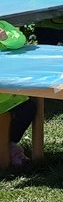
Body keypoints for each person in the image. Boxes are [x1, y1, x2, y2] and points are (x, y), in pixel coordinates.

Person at [0, 20, 36, 167]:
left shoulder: (3, 25)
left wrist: (5, 38)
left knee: (29, 109)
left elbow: (20, 40)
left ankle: (10, 143)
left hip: (9, 95)